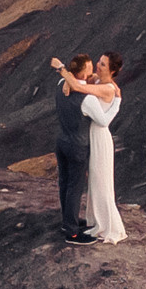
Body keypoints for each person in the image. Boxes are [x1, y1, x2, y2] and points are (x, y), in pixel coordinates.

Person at [59, 52, 126, 245]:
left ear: (112, 70)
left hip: (100, 137)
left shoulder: (107, 89)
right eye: (99, 62)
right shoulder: (97, 80)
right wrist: (68, 81)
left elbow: (80, 87)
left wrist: (63, 72)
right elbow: (80, 82)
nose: (98, 66)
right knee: (95, 182)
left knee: (102, 181)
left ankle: (108, 226)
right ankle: (97, 221)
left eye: (103, 64)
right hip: (91, 136)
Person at [49, 54, 95, 242]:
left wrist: (64, 72)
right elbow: (101, 119)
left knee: (65, 183)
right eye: (90, 68)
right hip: (78, 145)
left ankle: (68, 221)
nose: (92, 71)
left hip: (62, 141)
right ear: (82, 72)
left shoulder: (62, 85)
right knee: (75, 187)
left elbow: (69, 80)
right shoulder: (86, 97)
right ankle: (72, 232)